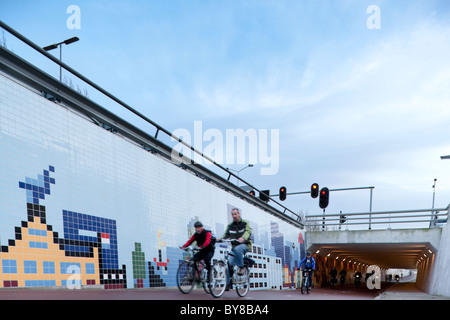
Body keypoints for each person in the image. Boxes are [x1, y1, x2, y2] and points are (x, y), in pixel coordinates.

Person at [218, 208, 252, 279]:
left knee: (238, 249)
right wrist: (220, 239)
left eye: (235, 214)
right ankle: (227, 284)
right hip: (234, 247)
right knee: (229, 264)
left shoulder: (245, 222)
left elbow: (248, 231)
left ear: (239, 214)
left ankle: (241, 267)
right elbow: (226, 235)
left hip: (244, 245)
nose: (234, 216)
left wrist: (243, 238)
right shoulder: (230, 226)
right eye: (232, 214)